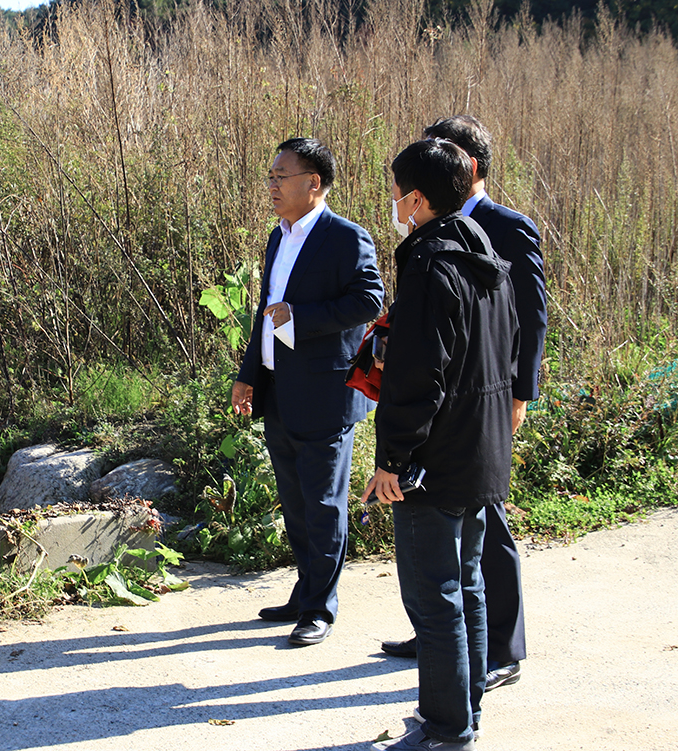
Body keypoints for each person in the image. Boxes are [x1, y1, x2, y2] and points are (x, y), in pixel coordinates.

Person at [380, 115, 546, 692]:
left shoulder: (502, 230)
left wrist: (519, 394)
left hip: (475, 412)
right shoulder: (443, 241)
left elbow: (527, 319)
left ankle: (496, 654)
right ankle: (452, 660)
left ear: (466, 166)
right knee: (458, 567)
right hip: (464, 408)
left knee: (472, 552)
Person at [363, 138, 519, 751]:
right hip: (481, 446)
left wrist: (391, 460)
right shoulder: (483, 251)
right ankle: (466, 710)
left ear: (419, 200)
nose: (395, 202)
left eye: (398, 192)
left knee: (434, 601)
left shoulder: (429, 264)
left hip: (433, 456)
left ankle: (446, 728)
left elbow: (417, 376)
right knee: (468, 583)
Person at [231, 137, 383, 646]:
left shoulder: (345, 237)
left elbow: (369, 299)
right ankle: (305, 591)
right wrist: (249, 373)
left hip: (326, 391)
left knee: (324, 504)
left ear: (313, 183)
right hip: (280, 389)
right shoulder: (279, 237)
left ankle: (321, 608)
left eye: (281, 176)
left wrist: (303, 318)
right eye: (270, 176)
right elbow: (267, 310)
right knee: (295, 501)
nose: (271, 186)